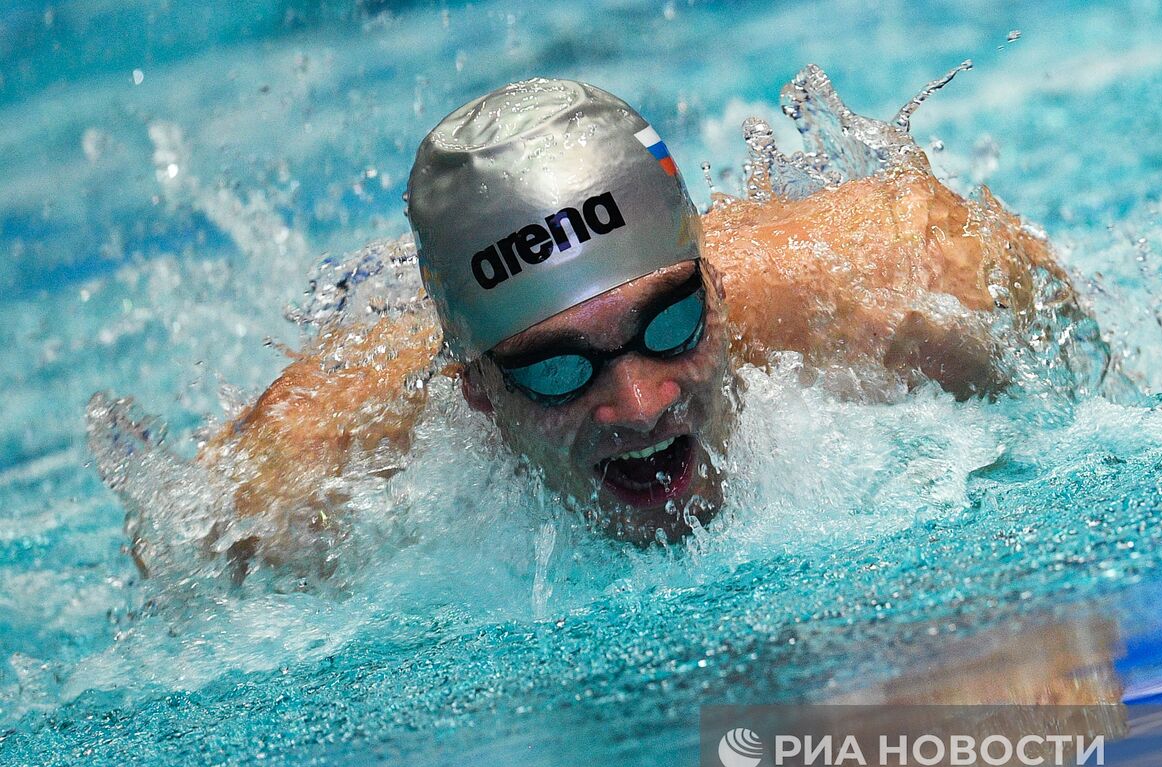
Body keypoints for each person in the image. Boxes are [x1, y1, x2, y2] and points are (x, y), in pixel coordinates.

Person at [113, 76, 1100, 570]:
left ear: (713, 288)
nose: (637, 404)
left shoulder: (918, 288)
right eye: (555, 372)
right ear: (477, 395)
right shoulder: (304, 486)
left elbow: (1107, 420)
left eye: (669, 323)